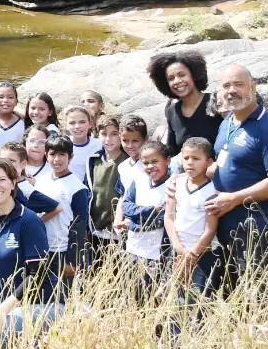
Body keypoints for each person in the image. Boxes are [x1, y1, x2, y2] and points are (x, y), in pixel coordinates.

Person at [205, 64, 268, 296]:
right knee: (233, 295)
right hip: (227, 225)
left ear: (253, 86)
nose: (231, 91)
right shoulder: (227, 122)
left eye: (238, 84)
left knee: (261, 296)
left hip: (259, 228)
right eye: (226, 86)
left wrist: (234, 199)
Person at [0, 157, 50, 346]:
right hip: (3, 304)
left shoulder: (29, 221)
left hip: (35, 304)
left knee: (1, 335)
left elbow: (37, 275)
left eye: (1, 179)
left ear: (13, 182)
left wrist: (1, 312)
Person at [34, 135, 90, 299]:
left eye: (62, 155)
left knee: (62, 298)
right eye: (52, 154)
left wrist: (72, 260)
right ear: (46, 155)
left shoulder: (77, 188)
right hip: (41, 248)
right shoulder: (41, 180)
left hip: (62, 251)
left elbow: (80, 225)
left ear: (70, 157)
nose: (56, 159)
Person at [166, 137, 220, 296]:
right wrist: (178, 247)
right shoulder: (176, 183)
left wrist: (192, 255)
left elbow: (210, 229)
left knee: (196, 298)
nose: (190, 162)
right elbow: (169, 217)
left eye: (196, 158)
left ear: (209, 162)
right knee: (175, 296)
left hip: (201, 254)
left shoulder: (212, 191)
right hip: (177, 250)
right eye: (186, 158)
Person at [116, 141, 172, 282]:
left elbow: (162, 220)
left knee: (151, 290)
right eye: (146, 163)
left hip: (155, 252)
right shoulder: (139, 180)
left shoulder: (172, 186)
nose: (150, 166)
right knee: (130, 288)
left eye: (155, 161)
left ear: (168, 160)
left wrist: (132, 223)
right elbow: (126, 206)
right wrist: (152, 210)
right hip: (133, 247)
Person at [149, 49, 223, 153]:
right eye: (171, 78)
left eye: (181, 75)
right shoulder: (172, 111)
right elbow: (172, 150)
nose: (177, 81)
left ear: (193, 75)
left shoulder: (216, 101)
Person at [86, 113, 129, 266]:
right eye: (104, 134)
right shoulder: (93, 160)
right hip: (96, 228)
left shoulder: (127, 161)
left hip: (118, 230)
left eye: (114, 134)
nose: (108, 139)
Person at [60, 106, 103, 179]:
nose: (77, 126)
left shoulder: (99, 144)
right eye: (72, 123)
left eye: (82, 122)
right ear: (66, 126)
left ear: (90, 124)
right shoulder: (61, 145)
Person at [0, 81, 26, 148]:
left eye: (10, 97)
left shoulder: (23, 123)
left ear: (16, 102)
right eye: (0, 97)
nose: (5, 100)